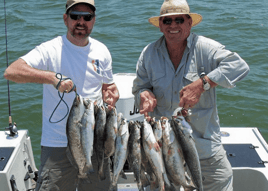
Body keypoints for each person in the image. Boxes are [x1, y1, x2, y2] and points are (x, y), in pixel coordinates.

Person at [132, 0, 250, 190]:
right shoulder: (149, 53)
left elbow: (240, 66)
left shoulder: (206, 48)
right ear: (160, 26)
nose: (173, 26)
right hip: (163, 147)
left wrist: (203, 83)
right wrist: (144, 94)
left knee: (221, 180)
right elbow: (139, 87)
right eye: (167, 21)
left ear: (189, 23)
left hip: (203, 147)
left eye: (179, 20)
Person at [4, 0, 119, 190]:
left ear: (94, 20)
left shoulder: (102, 51)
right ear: (66, 19)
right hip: (57, 144)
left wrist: (111, 93)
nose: (81, 21)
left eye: (87, 17)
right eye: (75, 16)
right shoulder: (50, 49)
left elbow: (108, 86)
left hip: (94, 141)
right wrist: (52, 78)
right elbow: (12, 71)